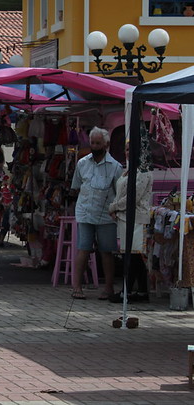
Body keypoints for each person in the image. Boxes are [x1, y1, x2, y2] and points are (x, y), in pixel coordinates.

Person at [70, 126, 122, 300]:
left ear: (106, 144)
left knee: (106, 251)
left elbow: (119, 193)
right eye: (92, 142)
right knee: (83, 248)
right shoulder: (82, 163)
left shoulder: (115, 166)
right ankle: (76, 287)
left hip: (106, 215)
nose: (94, 146)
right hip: (85, 212)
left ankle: (108, 288)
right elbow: (76, 187)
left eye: (98, 143)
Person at [108, 137, 153, 303]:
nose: (128, 153)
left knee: (133, 256)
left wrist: (113, 207)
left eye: (132, 149)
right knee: (132, 256)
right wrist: (115, 208)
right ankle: (141, 291)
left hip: (136, 218)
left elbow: (133, 197)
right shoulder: (127, 170)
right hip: (124, 217)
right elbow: (121, 194)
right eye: (126, 149)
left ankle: (126, 291)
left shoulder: (144, 171)